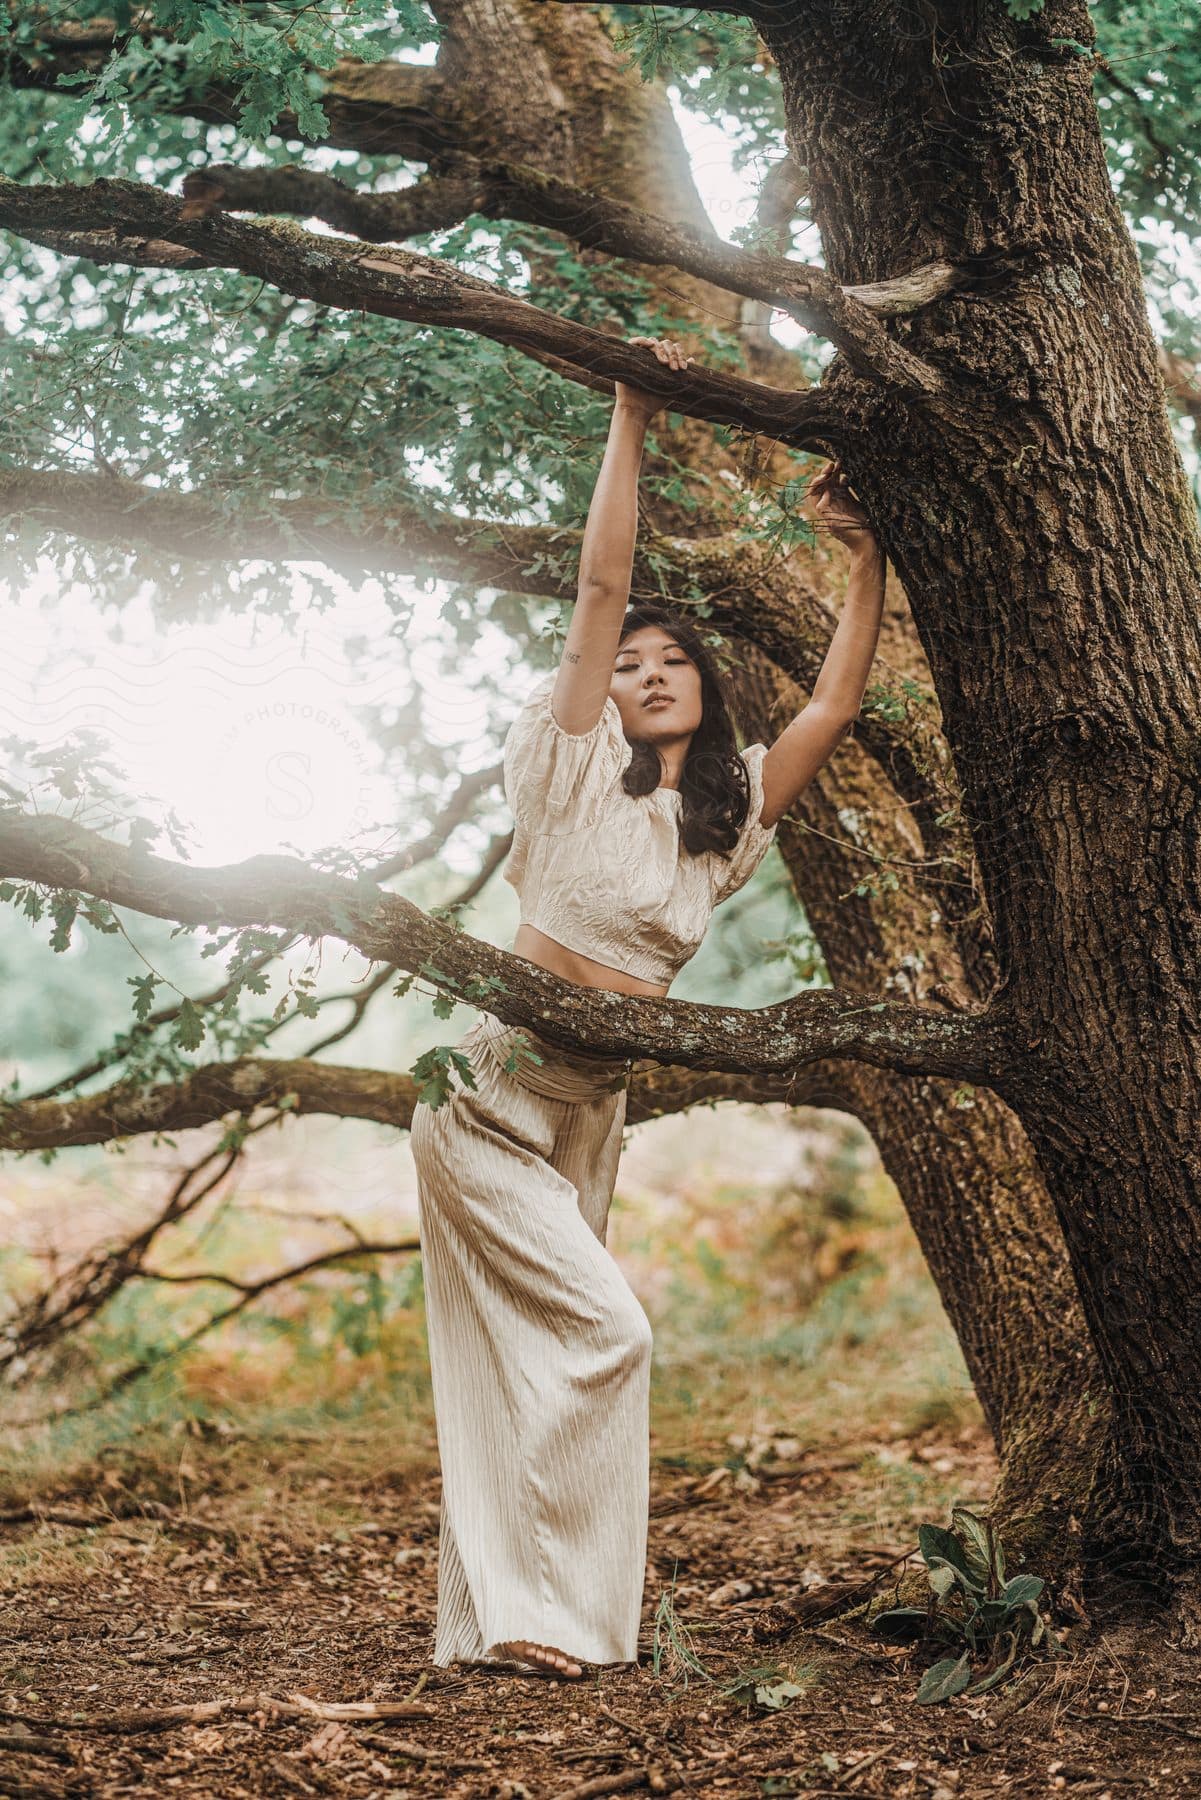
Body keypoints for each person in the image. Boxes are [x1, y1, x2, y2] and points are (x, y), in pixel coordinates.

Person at [408, 336, 884, 1680]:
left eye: (671, 661)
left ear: (701, 689)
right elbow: (599, 584)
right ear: (601, 696)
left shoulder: (717, 828)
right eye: (628, 666)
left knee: (534, 1368)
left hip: (587, 1122)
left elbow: (835, 703)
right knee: (607, 1334)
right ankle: (531, 1615)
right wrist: (631, 406)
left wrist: (862, 555)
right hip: (488, 1106)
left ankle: (520, 1622)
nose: (649, 671)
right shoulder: (563, 774)